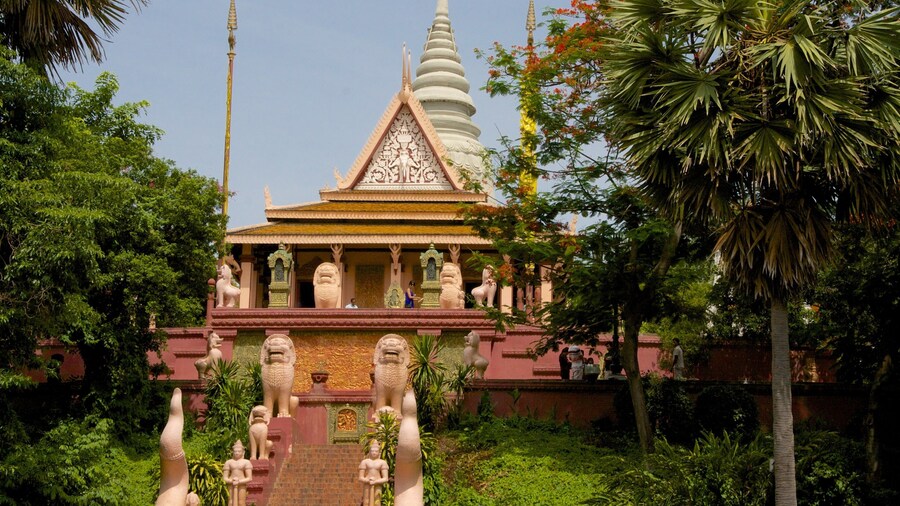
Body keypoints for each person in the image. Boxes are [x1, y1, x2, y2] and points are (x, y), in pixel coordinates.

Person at [358, 440, 390, 506]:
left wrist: (376, 481)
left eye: (376, 451)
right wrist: (368, 480)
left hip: (377, 484)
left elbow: (385, 478)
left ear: (379, 453)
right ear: (369, 452)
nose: (374, 453)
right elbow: (360, 477)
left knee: (377, 501)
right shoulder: (365, 462)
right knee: (366, 501)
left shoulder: (382, 462)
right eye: (372, 451)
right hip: (367, 484)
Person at [223, 440, 252, 506]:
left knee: (241, 503)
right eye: (235, 451)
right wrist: (231, 481)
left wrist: (239, 481)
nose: (237, 453)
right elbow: (225, 478)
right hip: (231, 484)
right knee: (230, 502)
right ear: (232, 452)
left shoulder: (246, 462)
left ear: (243, 452)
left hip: (242, 484)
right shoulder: (228, 462)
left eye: (239, 451)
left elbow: (249, 478)